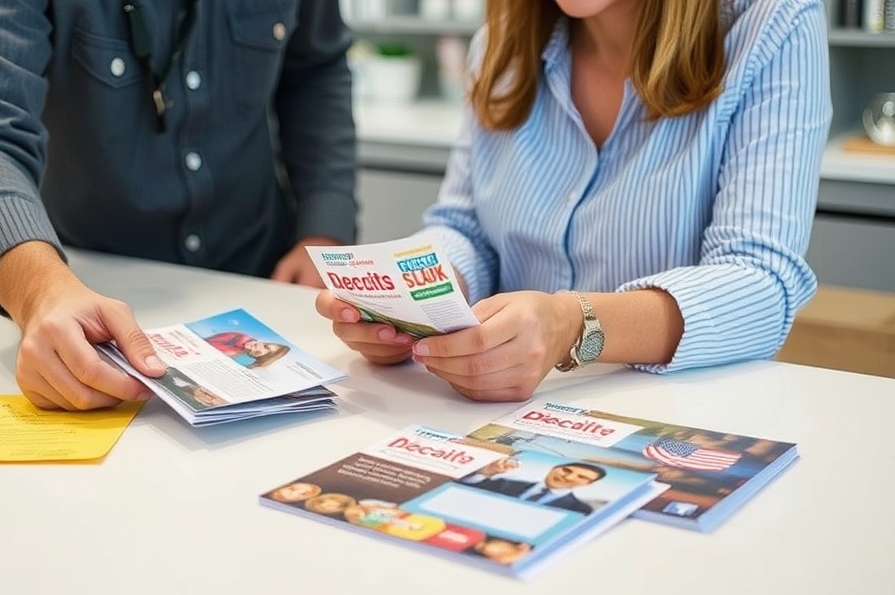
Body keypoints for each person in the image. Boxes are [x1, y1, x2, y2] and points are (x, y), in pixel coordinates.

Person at [316, 0, 831, 402]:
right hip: (494, 417)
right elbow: (467, 228)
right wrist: (408, 302)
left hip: (676, 422)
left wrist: (570, 324)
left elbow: (762, 284)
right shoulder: (498, 46)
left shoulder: (773, 28)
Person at [0, 1, 358, 411]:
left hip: (267, 279)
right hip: (84, 299)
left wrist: (324, 227)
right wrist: (38, 290)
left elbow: (315, 71)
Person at [460, 459, 607, 515]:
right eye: (566, 470)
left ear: (588, 484)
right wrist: (484, 473)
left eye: (582, 477)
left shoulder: (580, 510)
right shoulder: (505, 482)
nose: (568, 477)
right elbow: (460, 489)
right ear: (553, 468)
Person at [204, 331, 291, 368]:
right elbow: (207, 344)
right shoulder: (240, 338)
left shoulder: (239, 355)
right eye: (265, 344)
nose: (260, 344)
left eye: (265, 347)